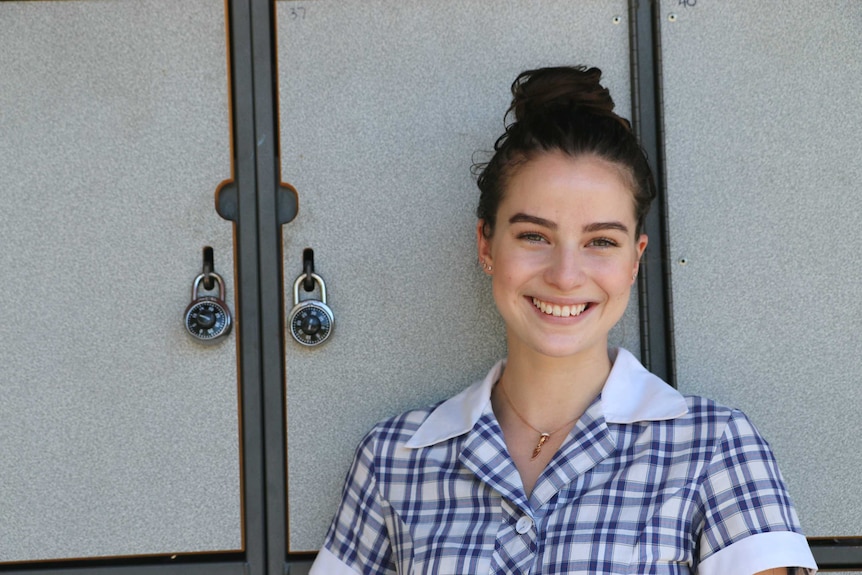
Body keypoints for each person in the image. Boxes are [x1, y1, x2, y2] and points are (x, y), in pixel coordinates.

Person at [309, 66, 818, 575]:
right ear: (486, 243)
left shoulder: (714, 447)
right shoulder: (393, 461)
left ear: (635, 259)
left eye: (601, 242)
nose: (566, 275)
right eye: (534, 236)